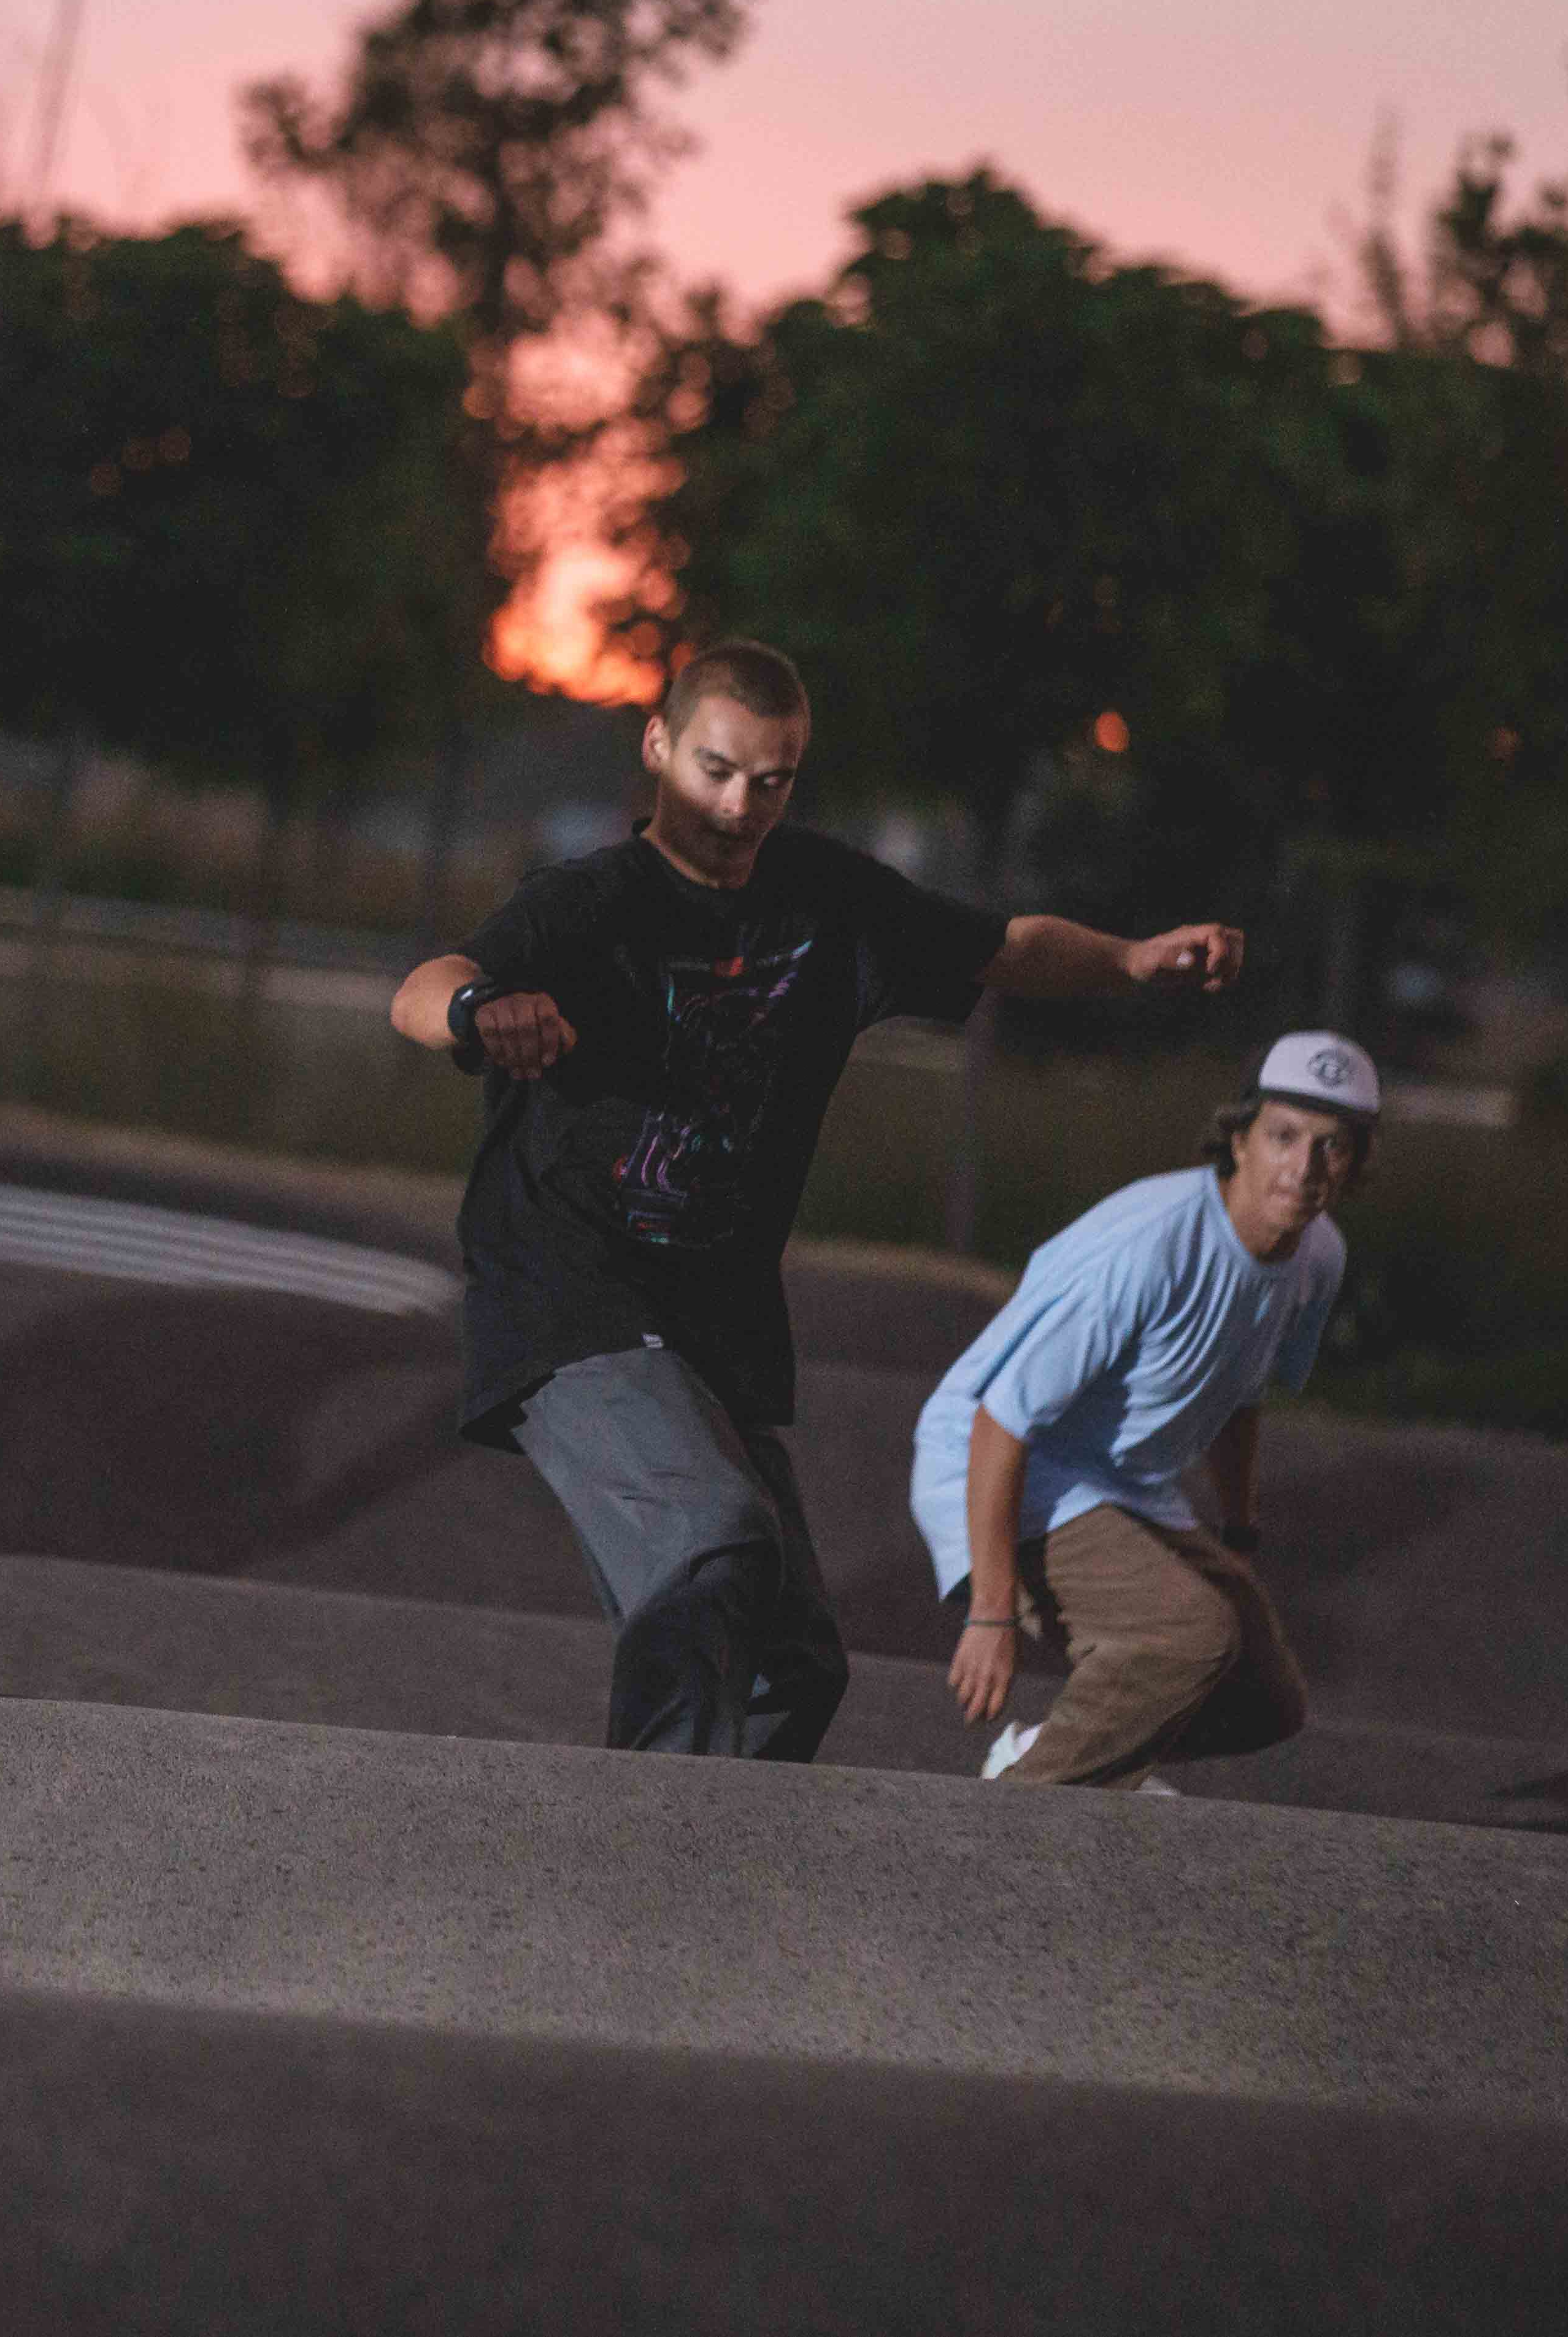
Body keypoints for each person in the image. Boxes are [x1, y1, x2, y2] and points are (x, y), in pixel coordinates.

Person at [386, 638, 1245, 1761]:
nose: (739, 807)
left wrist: (1131, 962)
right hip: (572, 1299)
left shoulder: (827, 899)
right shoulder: (590, 902)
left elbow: (1004, 947)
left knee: (793, 1660)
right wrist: (476, 1015)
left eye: (772, 780)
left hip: (711, 1321)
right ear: (658, 747)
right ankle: (631, 1853)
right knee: (710, 1543)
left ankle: (718, 1877)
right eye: (714, 770)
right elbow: (423, 985)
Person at [910, 1033, 1369, 1792]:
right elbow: (1001, 1417)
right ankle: (1007, 1820)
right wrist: (990, 1614)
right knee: (1186, 1636)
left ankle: (1050, 1758)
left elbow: (1240, 1392)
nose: (1304, 1168)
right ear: (1240, 1138)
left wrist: (1238, 1532)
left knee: (1264, 1696)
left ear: (1356, 1163)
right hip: (988, 1464)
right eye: (1284, 1137)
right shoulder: (1151, 1246)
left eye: (1333, 1147)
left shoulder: (1318, 1259)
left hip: (1118, 1487)